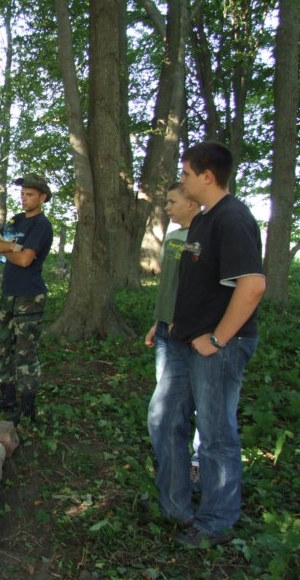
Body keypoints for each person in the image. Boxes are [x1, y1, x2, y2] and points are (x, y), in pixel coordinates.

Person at [147, 141, 265, 548]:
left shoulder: (232, 218)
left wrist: (218, 338)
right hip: (183, 341)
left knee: (215, 435)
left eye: (186, 174)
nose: (181, 180)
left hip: (219, 347)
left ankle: (217, 521)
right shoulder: (201, 222)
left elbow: (252, 286)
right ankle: (175, 505)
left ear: (207, 177)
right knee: (164, 420)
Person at [0, 173, 53, 425]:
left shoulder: (41, 225)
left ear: (42, 197)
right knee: (1, 343)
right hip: (8, 293)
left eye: (30, 194)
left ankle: (27, 407)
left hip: (30, 296)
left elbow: (25, 261)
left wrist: (7, 250)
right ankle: (7, 397)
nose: (24, 198)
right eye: (22, 194)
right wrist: (12, 247)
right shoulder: (17, 220)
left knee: (25, 352)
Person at [144, 183, 202, 482]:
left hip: (190, 332)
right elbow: (169, 285)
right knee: (165, 400)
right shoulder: (173, 237)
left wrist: (187, 320)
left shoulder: (205, 237)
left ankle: (197, 462)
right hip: (166, 330)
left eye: (172, 202)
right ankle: (171, 461)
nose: (167, 207)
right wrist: (159, 321)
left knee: (198, 398)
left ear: (192, 203)